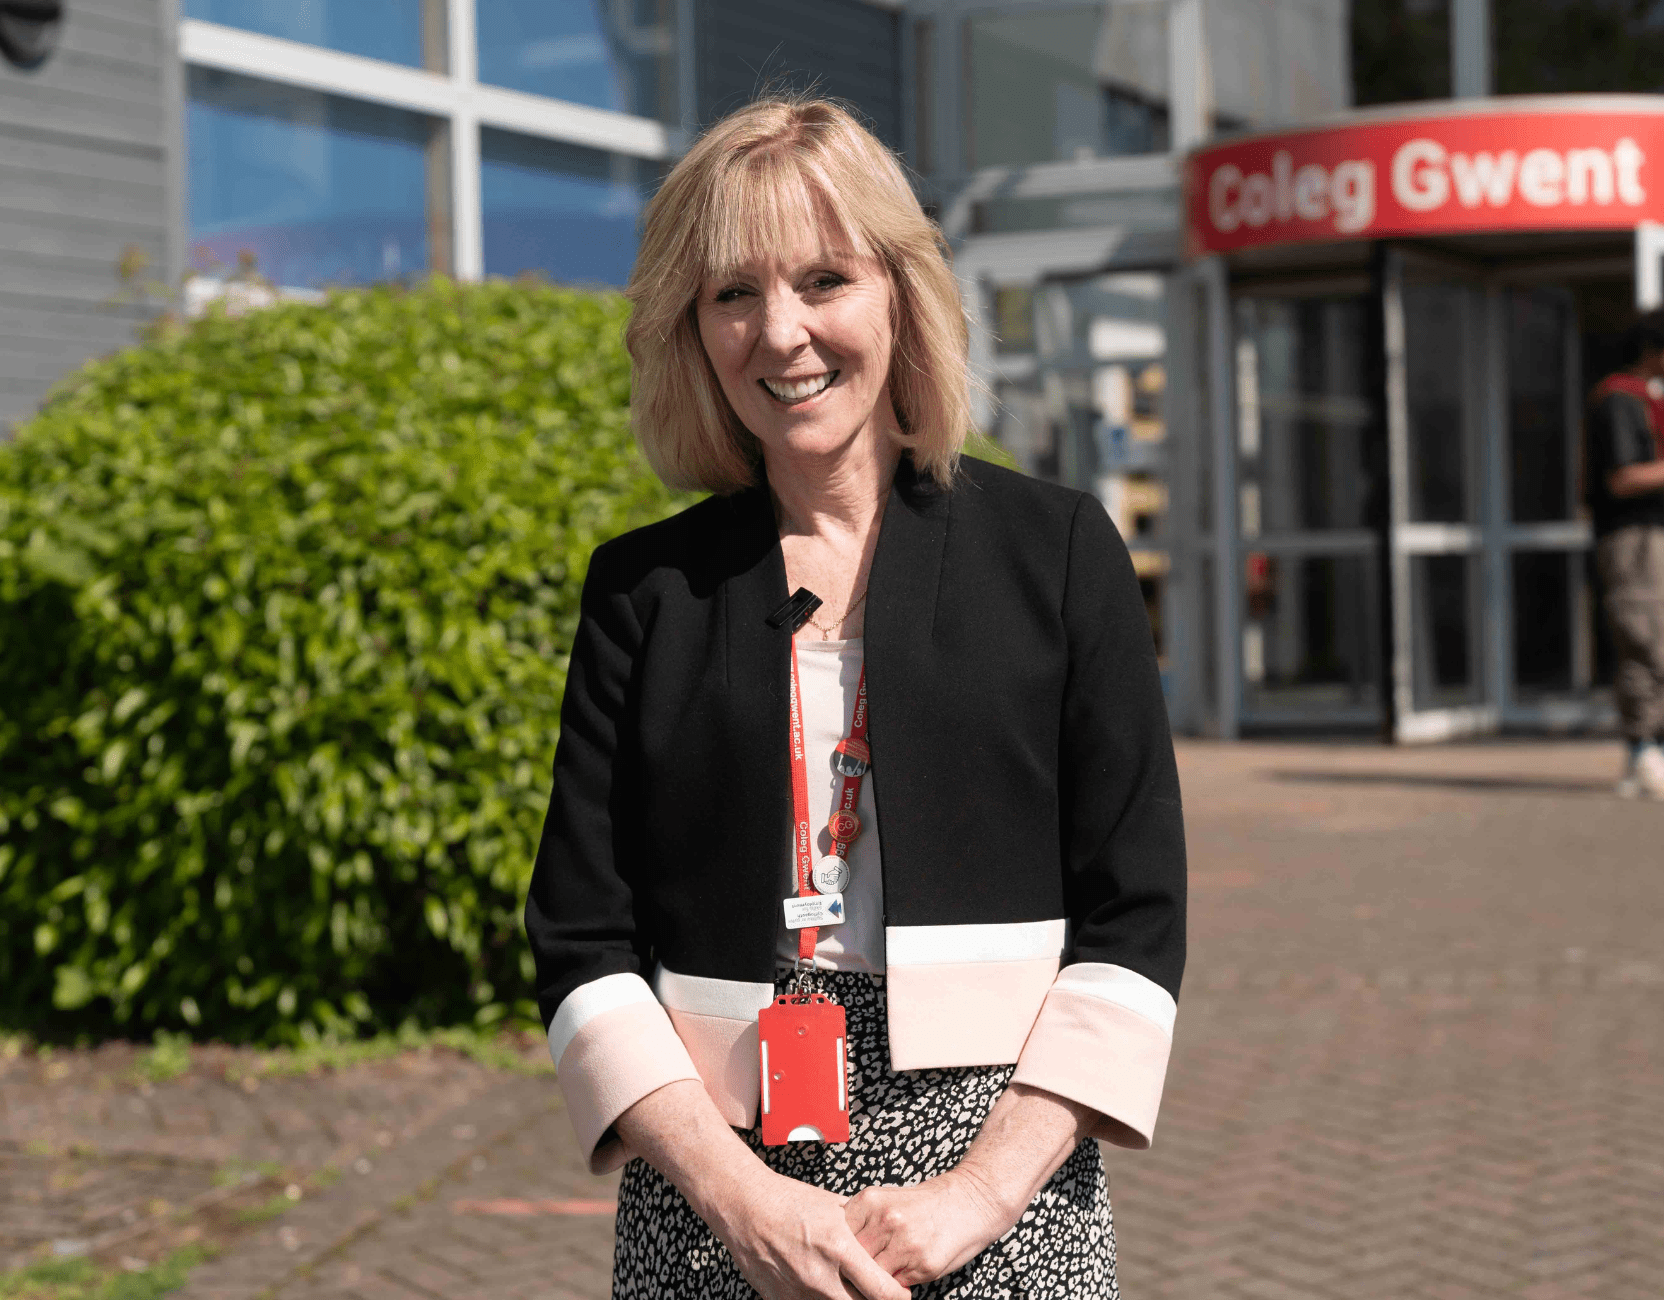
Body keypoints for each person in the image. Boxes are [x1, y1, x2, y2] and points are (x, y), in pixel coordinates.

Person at [523, 96, 1186, 1299]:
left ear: (899, 292)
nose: (781, 335)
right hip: (715, 1200)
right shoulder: (643, 592)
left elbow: (1134, 916)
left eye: (822, 279)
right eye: (732, 293)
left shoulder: (1059, 554)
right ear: (692, 325)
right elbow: (580, 938)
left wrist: (975, 1194)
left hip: (1002, 1187)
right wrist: (741, 1201)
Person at [1587, 309, 1664, 799]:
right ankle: (1645, 751)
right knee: (1645, 642)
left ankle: (1648, 752)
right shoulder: (1618, 400)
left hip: (1649, 535)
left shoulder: (1640, 400)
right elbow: (1623, 478)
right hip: (1632, 540)